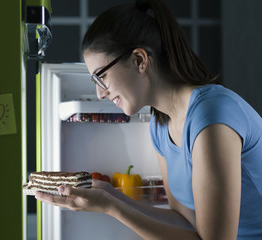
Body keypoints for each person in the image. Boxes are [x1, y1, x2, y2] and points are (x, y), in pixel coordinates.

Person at [35, 0, 262, 239]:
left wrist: (111, 207)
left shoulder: (211, 117)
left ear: (139, 61)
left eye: (101, 77)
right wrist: (113, 197)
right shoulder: (160, 126)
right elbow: (185, 220)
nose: (100, 93)